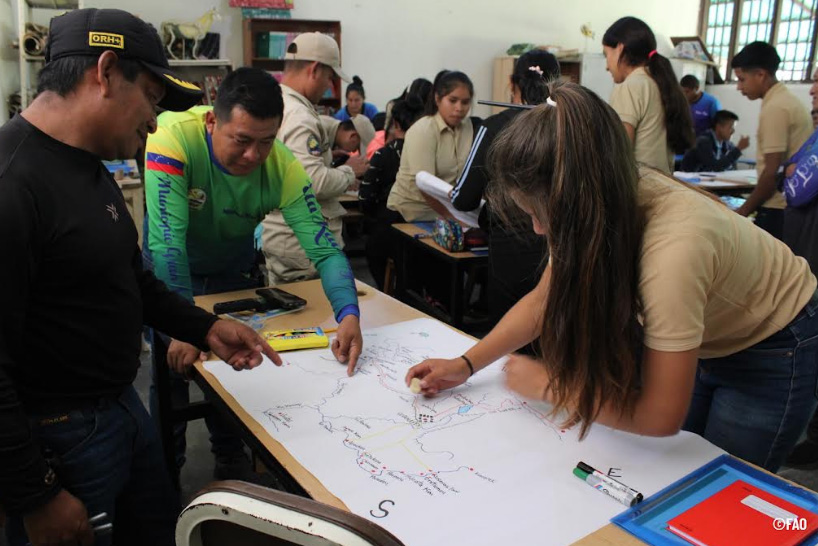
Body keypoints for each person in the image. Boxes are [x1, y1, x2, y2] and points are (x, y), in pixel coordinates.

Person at [406, 81, 818, 473]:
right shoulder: (594, 199)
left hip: (774, 344)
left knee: (718, 481)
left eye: (539, 214)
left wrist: (552, 386)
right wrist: (466, 364)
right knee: (673, 463)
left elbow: (659, 415)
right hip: (711, 332)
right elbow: (543, 300)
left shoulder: (672, 251)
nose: (538, 230)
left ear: (575, 200)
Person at [0, 9, 281, 546]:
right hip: (57, 440)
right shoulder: (13, 183)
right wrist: (35, 494)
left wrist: (204, 328)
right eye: (151, 99)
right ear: (105, 72)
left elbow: (131, 279)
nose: (154, 122)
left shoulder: (89, 168)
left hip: (121, 410)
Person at [143, 68, 364, 478]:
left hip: (230, 269)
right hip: (169, 268)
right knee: (173, 372)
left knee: (232, 367)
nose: (253, 156)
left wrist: (348, 314)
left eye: (266, 141)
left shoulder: (283, 166)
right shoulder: (171, 137)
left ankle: (229, 456)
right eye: (242, 140)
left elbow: (325, 251)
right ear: (213, 121)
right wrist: (183, 328)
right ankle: (164, 468)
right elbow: (168, 244)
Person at [449, 49, 558, 326]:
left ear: (512, 83)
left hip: (511, 250)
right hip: (563, 247)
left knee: (511, 335)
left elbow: (464, 199)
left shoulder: (494, 127)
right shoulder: (573, 125)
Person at [262, 32, 368, 284]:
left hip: (288, 237)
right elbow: (312, 182)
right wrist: (349, 171)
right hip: (306, 247)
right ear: (315, 69)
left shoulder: (277, 102)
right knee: (312, 308)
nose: (329, 86)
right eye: (329, 77)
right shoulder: (300, 116)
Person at [731, 41, 812, 239]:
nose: (739, 87)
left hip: (778, 208)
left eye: (742, 79)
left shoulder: (776, 107)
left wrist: (742, 212)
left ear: (761, 75)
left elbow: (772, 173)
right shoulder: (784, 100)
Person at [782, 69, 818, 469]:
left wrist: (794, 171)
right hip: (805, 248)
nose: (812, 89)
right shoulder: (814, 133)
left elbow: (797, 176)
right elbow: (791, 170)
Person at [603, 17, 694, 173]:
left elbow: (618, 158)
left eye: (606, 55)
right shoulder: (660, 82)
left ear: (619, 49)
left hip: (640, 186)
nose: (606, 66)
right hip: (662, 184)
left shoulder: (629, 87)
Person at [386, 70, 475, 221]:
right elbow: (426, 187)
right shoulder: (423, 130)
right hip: (410, 214)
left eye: (465, 102)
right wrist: (454, 218)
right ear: (438, 99)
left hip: (447, 211)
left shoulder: (467, 126)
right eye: (452, 100)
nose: (459, 108)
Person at [360, 96, 427, 288]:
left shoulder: (384, 154)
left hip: (388, 227)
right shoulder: (428, 154)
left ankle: (387, 292)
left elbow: (365, 198)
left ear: (395, 124)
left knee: (375, 246)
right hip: (424, 229)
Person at [681, 110, 750, 172]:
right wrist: (738, 149)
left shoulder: (728, 144)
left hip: (711, 179)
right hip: (689, 179)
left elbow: (731, 168)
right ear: (719, 127)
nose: (733, 131)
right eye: (731, 127)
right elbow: (715, 167)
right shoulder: (703, 142)